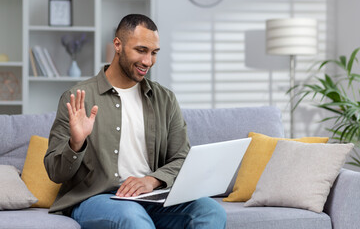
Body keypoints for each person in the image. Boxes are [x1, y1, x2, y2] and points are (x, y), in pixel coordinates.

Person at [44, 14, 226, 229]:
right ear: (118, 45)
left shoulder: (165, 99)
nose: (148, 61)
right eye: (141, 50)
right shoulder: (77, 97)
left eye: (154, 53)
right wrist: (76, 143)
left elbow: (181, 157)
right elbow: (56, 173)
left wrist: (153, 180)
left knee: (210, 211)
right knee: (131, 218)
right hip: (98, 198)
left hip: (151, 195)